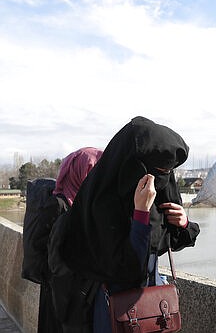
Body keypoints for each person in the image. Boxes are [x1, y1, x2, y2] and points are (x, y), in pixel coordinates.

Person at [48, 116, 200, 332]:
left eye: (167, 173)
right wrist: (140, 214)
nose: (160, 181)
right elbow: (129, 268)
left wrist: (183, 224)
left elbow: (165, 241)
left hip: (153, 308)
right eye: (157, 171)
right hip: (113, 307)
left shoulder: (153, 195)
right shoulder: (100, 205)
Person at [33, 147, 103, 333]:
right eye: (91, 172)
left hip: (69, 293)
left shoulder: (80, 202)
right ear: (79, 172)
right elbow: (53, 257)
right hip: (60, 295)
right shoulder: (58, 205)